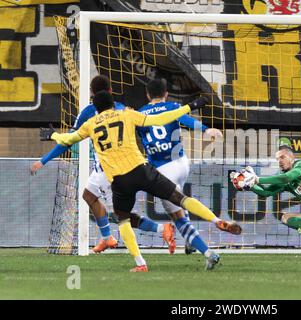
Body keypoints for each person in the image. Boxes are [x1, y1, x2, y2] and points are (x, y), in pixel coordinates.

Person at [44, 90, 241, 272]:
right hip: (142, 170)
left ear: (95, 107)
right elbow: (160, 118)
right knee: (180, 198)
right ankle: (216, 220)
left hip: (120, 181)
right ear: (113, 103)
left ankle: (140, 263)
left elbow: (67, 140)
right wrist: (191, 105)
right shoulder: (127, 114)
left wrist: (52, 134)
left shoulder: (90, 124)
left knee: (122, 219)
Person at [31, 75, 175, 254]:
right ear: (110, 91)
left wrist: (43, 160)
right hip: (119, 166)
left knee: (118, 214)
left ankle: (161, 230)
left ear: (92, 93)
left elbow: (67, 141)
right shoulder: (123, 109)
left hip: (110, 171)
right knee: (88, 195)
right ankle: (107, 238)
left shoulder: (89, 111)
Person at [137, 78, 223, 257]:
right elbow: (187, 120)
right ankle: (191, 243)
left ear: (147, 95)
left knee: (178, 217)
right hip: (182, 163)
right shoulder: (173, 107)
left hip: (162, 170)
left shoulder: (140, 114)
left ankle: (207, 253)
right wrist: (207, 130)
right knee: (180, 199)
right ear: (166, 93)